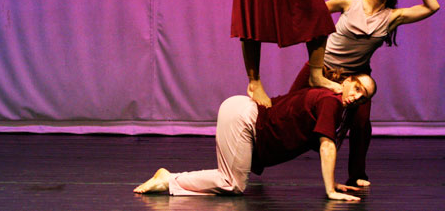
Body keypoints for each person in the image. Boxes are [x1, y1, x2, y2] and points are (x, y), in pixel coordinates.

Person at [289, 0, 440, 187]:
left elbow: (432, 7)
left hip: (356, 77)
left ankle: (357, 173)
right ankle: (255, 159)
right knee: (289, 113)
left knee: (360, 123)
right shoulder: (349, 2)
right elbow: (314, 13)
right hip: (322, 68)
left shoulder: (392, 17)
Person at [134, 73, 377, 201]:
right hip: (245, 118)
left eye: (363, 96)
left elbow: (324, 144)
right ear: (345, 81)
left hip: (244, 116)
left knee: (232, 180)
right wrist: (330, 191)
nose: (356, 96)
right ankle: (169, 179)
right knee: (233, 184)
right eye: (356, 87)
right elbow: (327, 146)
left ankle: (170, 179)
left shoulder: (332, 103)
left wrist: (331, 181)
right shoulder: (330, 102)